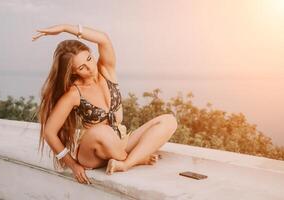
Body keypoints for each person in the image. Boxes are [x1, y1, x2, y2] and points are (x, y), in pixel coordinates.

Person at [32, 24, 178, 185]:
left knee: (168, 120)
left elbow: (104, 39)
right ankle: (137, 158)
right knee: (102, 130)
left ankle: (125, 163)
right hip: (93, 153)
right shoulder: (74, 93)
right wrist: (72, 165)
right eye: (82, 67)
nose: (90, 68)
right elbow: (49, 132)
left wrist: (66, 27)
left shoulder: (106, 71)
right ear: (73, 72)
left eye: (89, 58)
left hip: (120, 142)